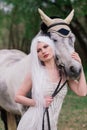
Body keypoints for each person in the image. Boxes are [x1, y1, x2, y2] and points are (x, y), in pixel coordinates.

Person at [15, 35, 87, 130]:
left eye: (45, 47)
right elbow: (17, 97)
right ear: (37, 55)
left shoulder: (64, 74)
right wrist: (38, 102)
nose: (43, 51)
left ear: (52, 47)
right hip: (32, 124)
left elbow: (82, 92)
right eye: (38, 50)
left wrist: (80, 66)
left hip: (51, 124)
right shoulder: (34, 73)